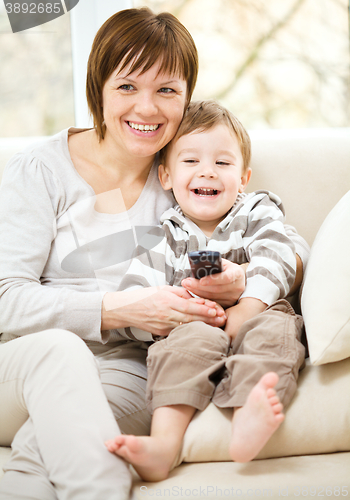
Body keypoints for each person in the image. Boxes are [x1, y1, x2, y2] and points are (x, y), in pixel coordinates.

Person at [0, 7, 308, 500]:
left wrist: (242, 278)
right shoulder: (39, 171)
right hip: (24, 360)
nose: (147, 108)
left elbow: (287, 244)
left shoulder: (186, 176)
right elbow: (5, 300)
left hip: (126, 363)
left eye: (166, 89)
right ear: (97, 87)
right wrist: (119, 308)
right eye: (126, 86)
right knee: (60, 354)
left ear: (186, 98)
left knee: (55, 451)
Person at [104, 100, 306, 482]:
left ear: (243, 177)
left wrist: (246, 307)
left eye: (223, 163)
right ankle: (164, 446)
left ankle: (249, 416)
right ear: (165, 176)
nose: (208, 172)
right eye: (191, 161)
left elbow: (279, 255)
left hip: (261, 311)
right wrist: (170, 315)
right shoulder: (163, 235)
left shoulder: (257, 211)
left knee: (273, 335)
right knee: (182, 348)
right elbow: (135, 297)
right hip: (191, 325)